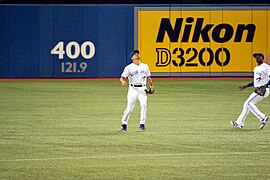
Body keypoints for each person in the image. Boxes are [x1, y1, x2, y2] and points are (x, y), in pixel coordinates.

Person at [230, 52, 270, 129]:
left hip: (263, 89)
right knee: (246, 104)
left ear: (262, 58)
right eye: (256, 57)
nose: (257, 58)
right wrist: (246, 86)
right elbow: (255, 82)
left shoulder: (266, 67)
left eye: (258, 56)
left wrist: (266, 85)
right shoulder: (256, 68)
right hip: (258, 89)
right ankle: (239, 123)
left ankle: (262, 117)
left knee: (248, 103)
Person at [120, 50, 154, 131]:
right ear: (132, 58)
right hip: (133, 89)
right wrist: (123, 81)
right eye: (135, 54)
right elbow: (122, 77)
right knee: (129, 108)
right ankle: (124, 123)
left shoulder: (145, 66)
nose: (137, 55)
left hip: (143, 89)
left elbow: (148, 77)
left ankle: (142, 124)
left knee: (144, 105)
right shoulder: (128, 67)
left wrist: (151, 85)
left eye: (137, 53)